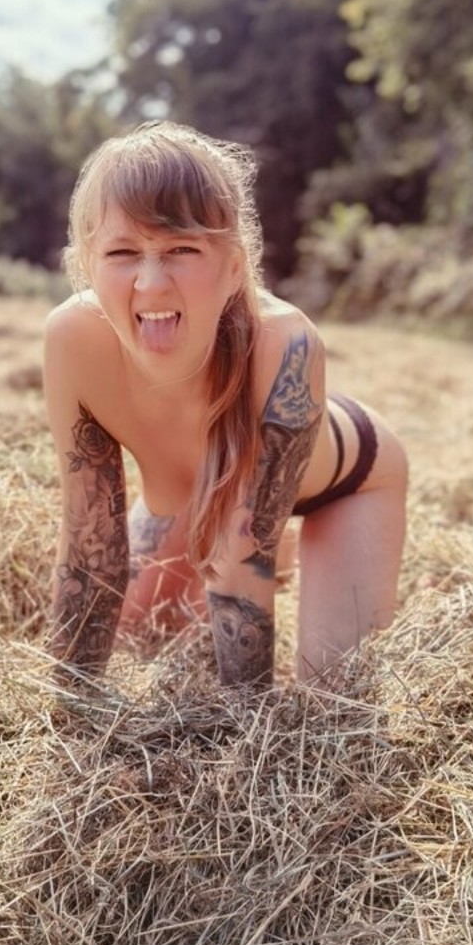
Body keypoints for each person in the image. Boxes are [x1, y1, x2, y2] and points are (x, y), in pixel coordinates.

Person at [43, 120, 408, 689]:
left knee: (332, 694)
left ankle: (294, 543)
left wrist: (243, 735)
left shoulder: (287, 343)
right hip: (199, 503)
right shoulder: (72, 339)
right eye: (122, 251)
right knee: (138, 631)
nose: (151, 282)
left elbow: (241, 566)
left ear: (234, 266)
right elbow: (91, 546)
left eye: (181, 249)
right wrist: (64, 706)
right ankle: (280, 544)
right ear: (87, 263)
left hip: (345, 484)